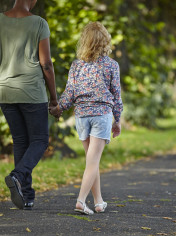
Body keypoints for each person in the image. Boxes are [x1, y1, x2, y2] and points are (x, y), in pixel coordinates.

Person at [0, 0, 59, 210]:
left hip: (6, 92)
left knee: (20, 141)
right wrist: (54, 98)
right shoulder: (39, 23)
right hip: (32, 92)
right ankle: (17, 176)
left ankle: (26, 195)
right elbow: (46, 63)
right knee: (40, 140)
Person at [50, 22, 123, 215]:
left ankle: (98, 202)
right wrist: (117, 120)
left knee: (92, 161)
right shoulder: (111, 65)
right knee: (92, 162)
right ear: (105, 42)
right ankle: (81, 201)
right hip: (101, 116)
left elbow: (69, 93)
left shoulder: (76, 66)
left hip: (82, 116)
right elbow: (116, 96)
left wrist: (59, 109)